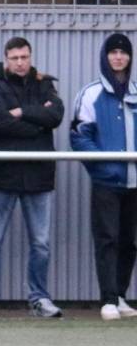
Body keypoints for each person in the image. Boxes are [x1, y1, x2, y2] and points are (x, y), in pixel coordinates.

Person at [0, 37, 65, 319]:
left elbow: (56, 115)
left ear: (30, 56)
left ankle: (39, 298)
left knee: (41, 243)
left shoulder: (44, 84)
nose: (20, 62)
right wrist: (37, 128)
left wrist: (24, 113)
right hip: (2, 177)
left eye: (24, 57)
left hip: (38, 176)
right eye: (15, 58)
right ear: (6, 58)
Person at [70, 33, 137, 320]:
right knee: (107, 238)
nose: (119, 57)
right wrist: (104, 166)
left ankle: (121, 295)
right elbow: (79, 137)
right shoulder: (91, 94)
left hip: (134, 183)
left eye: (124, 52)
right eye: (113, 52)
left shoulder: (135, 91)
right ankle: (107, 299)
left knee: (129, 241)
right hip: (107, 183)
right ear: (105, 56)